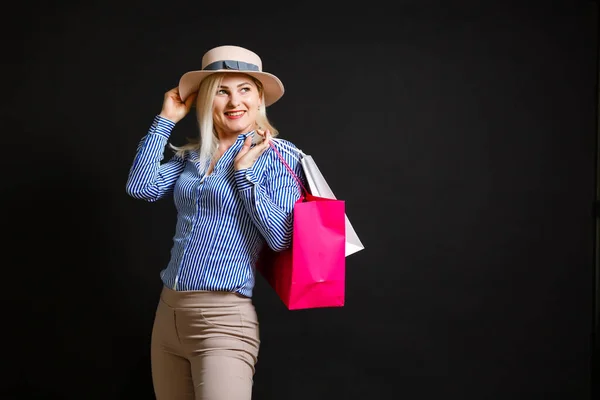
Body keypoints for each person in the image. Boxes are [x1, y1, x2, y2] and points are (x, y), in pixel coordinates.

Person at [125, 45, 305, 400]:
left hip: (224, 319)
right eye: (221, 90)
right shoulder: (194, 156)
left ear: (258, 99)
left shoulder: (280, 156)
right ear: (206, 99)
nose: (234, 101)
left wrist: (244, 173)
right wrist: (166, 120)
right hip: (169, 315)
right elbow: (141, 188)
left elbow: (282, 237)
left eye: (244, 89)